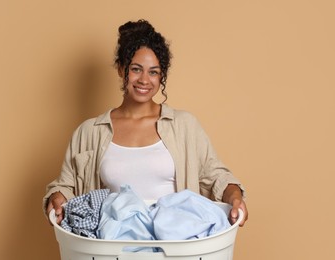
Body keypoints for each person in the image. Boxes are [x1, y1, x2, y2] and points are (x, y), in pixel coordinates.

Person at [43, 19, 248, 227]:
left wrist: (235, 198)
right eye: (136, 69)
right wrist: (57, 200)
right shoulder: (88, 132)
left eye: (153, 72)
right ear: (121, 69)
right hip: (112, 246)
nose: (144, 80)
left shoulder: (184, 126)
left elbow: (215, 176)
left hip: (175, 244)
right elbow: (66, 186)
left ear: (161, 76)